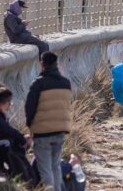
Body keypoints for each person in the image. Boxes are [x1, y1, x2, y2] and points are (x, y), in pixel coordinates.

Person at [25, 51, 72, 191]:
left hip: (42, 132)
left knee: (45, 169)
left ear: (42, 64)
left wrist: (31, 125)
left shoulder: (38, 83)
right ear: (56, 63)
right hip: (60, 130)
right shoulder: (66, 83)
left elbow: (29, 107)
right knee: (55, 166)